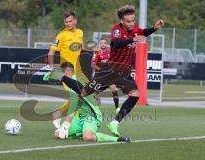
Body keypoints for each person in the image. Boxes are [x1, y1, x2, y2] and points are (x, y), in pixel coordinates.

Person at [60, 5, 164, 136]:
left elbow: (143, 32)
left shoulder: (136, 29)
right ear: (121, 21)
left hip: (124, 72)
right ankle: (62, 78)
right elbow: (116, 43)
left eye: (133, 20)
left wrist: (154, 28)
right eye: (128, 21)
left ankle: (114, 123)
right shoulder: (117, 29)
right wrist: (132, 39)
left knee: (135, 95)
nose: (132, 23)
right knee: (82, 93)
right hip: (110, 70)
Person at [46, 11, 98, 130]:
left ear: (75, 21)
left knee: (82, 95)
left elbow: (80, 46)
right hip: (66, 71)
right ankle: (64, 120)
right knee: (76, 95)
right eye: (66, 22)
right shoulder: (61, 35)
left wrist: (94, 49)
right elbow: (51, 52)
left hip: (78, 72)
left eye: (70, 21)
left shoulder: (80, 32)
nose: (68, 23)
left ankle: (62, 117)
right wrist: (51, 68)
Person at [54, 62, 131, 143]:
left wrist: (66, 124)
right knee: (57, 135)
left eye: (62, 72)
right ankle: (82, 132)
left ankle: (117, 139)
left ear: (67, 71)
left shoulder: (76, 82)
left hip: (92, 116)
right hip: (80, 117)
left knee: (88, 137)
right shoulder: (73, 82)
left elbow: (74, 105)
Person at [91, 38, 120, 112]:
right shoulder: (97, 53)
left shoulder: (109, 53)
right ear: (100, 44)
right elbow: (93, 65)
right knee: (95, 92)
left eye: (104, 43)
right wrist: (100, 70)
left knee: (114, 89)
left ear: (106, 44)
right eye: (101, 43)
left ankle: (117, 108)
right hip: (99, 76)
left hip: (108, 76)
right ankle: (96, 106)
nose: (103, 44)